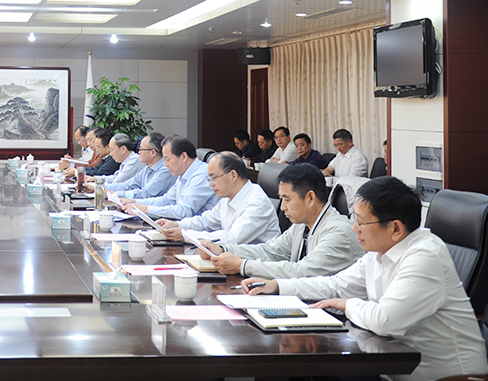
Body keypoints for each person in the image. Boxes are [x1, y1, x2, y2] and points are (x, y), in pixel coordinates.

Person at [242, 177, 488, 381]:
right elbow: (335, 284)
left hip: (449, 376)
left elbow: (385, 320)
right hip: (393, 366)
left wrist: (348, 304)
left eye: (361, 222)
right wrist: (277, 286)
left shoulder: (425, 256)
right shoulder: (380, 251)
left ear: (395, 228)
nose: (354, 228)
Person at [201, 163, 362, 277]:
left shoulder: (337, 231)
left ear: (310, 198)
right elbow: (271, 251)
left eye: (287, 199)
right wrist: (224, 250)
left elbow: (302, 271)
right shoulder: (302, 224)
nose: (283, 207)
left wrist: (242, 266)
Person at [159, 151, 279, 245]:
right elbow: (205, 222)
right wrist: (177, 225)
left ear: (233, 175)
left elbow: (232, 238)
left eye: (214, 177)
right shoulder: (227, 197)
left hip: (257, 264)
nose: (210, 183)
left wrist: (186, 235)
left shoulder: (257, 202)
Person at [121, 135, 218, 220]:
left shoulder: (202, 174)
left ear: (184, 156)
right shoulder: (183, 174)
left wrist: (145, 209)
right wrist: (134, 202)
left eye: (168, 159)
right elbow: (166, 200)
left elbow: (184, 211)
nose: (165, 164)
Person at [106, 132, 177, 200]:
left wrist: (114, 194)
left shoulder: (165, 170)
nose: (139, 152)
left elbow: (145, 194)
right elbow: (126, 186)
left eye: (141, 149)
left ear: (153, 152)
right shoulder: (147, 169)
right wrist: (102, 188)